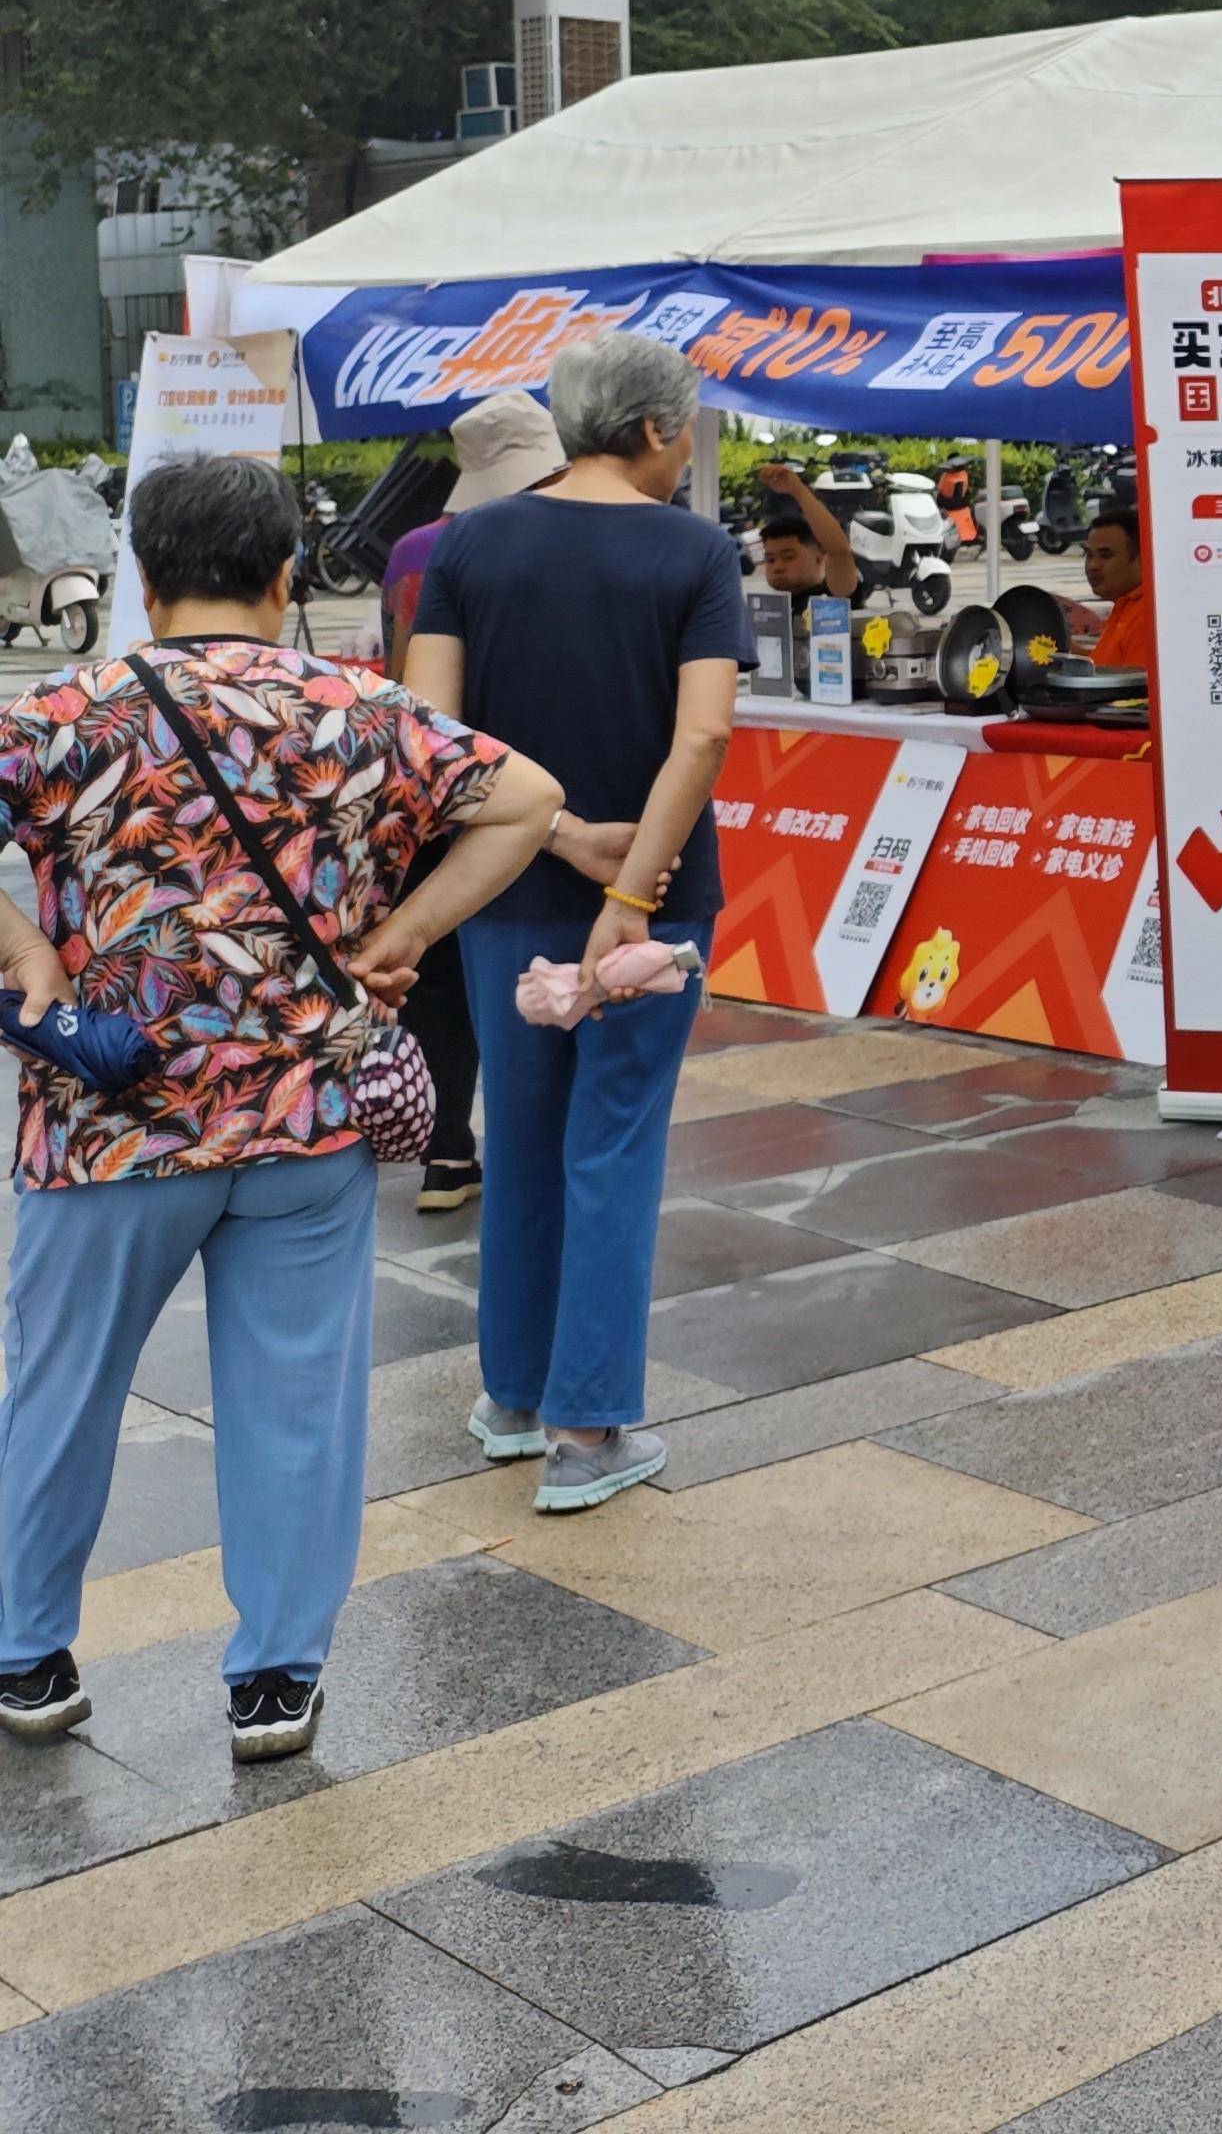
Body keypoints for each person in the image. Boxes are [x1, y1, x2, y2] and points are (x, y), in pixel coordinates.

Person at [0, 457, 562, 1763]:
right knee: (295, 1403)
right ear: (283, 575)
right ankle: (274, 1683)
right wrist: (405, 934)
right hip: (307, 1117)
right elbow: (528, 801)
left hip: (106, 1128)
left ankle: (28, 1656)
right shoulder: (357, 708)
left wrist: (24, 954)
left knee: (57, 1391)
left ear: (143, 578)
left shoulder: (67, 709)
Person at [405, 331, 743, 1516]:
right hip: (652, 911)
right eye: (690, 423)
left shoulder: (471, 544)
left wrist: (549, 836)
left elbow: (433, 741)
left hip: (503, 897)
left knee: (528, 1137)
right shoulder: (694, 551)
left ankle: (511, 1398)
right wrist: (629, 891)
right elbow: (700, 738)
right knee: (613, 1147)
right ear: (658, 429)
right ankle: (590, 1430)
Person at [382, 389, 574, 1218]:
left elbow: (404, 675)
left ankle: (445, 1153)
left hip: (431, 786)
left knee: (436, 981)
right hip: (531, 790)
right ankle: (541, 1162)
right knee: (538, 970)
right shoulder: (568, 538)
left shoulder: (418, 548)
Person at [751, 459, 861, 602]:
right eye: (770, 559)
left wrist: (798, 490)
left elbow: (838, 551)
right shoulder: (767, 609)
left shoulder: (836, 595)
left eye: (789, 557)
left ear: (819, 559)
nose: (777, 567)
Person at [1080, 497, 1153, 671]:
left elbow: (1134, 691)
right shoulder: (1124, 605)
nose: (1093, 566)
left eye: (1105, 555)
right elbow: (1106, 664)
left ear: (1141, 560)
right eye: (1089, 555)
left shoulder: (1149, 617)